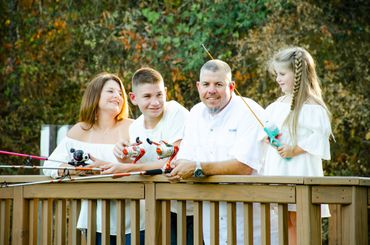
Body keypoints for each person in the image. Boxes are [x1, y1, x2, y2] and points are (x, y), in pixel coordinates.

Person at [169, 59, 278, 244]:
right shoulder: (195, 113)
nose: (211, 90)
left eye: (218, 84)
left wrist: (197, 167)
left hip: (253, 222)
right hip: (211, 222)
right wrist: (176, 167)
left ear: (232, 86)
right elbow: (185, 158)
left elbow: (244, 166)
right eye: (206, 84)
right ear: (198, 86)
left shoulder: (248, 111)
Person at [89, 67, 189, 244]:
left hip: (189, 207)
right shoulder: (135, 127)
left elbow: (171, 162)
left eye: (159, 94)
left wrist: (127, 167)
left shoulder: (175, 112)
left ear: (165, 92)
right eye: (147, 96)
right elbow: (138, 163)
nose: (155, 102)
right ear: (134, 98)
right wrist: (122, 156)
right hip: (159, 208)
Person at [43, 72, 135, 245]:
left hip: (133, 216)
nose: (117, 96)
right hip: (95, 218)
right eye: (111, 91)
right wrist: (71, 169)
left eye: (120, 93)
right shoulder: (80, 130)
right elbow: (49, 165)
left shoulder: (133, 126)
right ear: (95, 95)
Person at [263, 46, 332, 245]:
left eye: (282, 74)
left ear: (298, 74)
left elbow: (319, 137)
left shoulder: (312, 106)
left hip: (299, 168)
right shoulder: (277, 104)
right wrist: (270, 137)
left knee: (301, 218)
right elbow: (270, 127)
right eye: (277, 74)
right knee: (285, 221)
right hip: (278, 170)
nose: (278, 79)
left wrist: (295, 149)